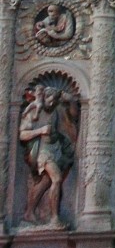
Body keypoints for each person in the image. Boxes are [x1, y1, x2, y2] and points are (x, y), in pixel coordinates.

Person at [19, 84, 79, 227]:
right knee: (56, 178)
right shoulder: (34, 110)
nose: (51, 104)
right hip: (41, 151)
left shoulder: (56, 109)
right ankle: (54, 218)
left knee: (46, 181)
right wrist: (40, 130)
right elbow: (22, 135)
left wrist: (70, 100)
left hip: (56, 148)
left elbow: (74, 116)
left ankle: (29, 213)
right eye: (49, 101)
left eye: (54, 101)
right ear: (43, 97)